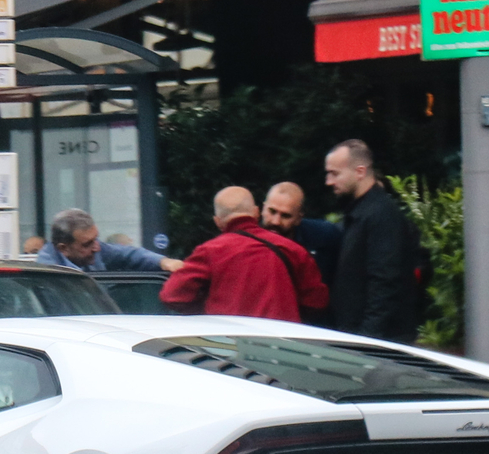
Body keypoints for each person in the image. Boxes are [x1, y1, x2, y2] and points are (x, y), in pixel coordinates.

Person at [157, 188, 326, 322]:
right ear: (256, 212)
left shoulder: (210, 251)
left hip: (229, 343)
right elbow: (317, 302)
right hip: (283, 344)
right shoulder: (294, 250)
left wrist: (206, 312)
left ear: (217, 221)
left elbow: (172, 295)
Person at [323, 139, 425, 344]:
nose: (329, 181)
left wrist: (367, 339)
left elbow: (384, 281)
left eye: (335, 173)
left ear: (360, 172)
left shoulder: (380, 215)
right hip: (368, 335)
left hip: (378, 340)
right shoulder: (365, 212)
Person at [259, 181, 340, 326]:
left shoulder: (323, 237)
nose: (276, 221)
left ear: (298, 218)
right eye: (272, 211)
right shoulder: (245, 239)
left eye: (286, 216)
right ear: (263, 209)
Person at [34, 208, 185, 273]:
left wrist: (164, 262)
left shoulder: (96, 250)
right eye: (87, 244)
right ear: (63, 248)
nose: (97, 248)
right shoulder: (48, 271)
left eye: (96, 239)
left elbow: (130, 255)